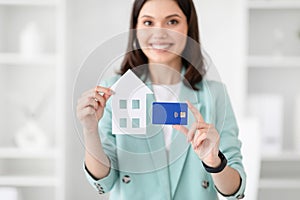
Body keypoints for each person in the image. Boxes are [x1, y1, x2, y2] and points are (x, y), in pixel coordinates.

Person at [76, 0, 246, 199]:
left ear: (189, 28)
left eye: (172, 22)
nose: (159, 33)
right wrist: (90, 130)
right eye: (148, 22)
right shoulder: (117, 91)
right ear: (136, 28)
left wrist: (214, 162)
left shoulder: (214, 95)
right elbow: (104, 181)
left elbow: (234, 190)